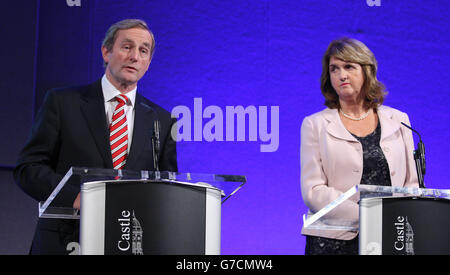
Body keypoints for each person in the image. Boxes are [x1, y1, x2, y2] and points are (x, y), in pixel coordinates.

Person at [13, 19, 178, 254]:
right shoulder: (63, 103)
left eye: (143, 50)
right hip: (65, 241)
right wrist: (75, 197)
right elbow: (28, 169)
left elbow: (167, 186)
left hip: (128, 245)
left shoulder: (162, 120)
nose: (134, 56)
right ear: (106, 51)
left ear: (149, 62)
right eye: (127, 46)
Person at [300, 37, 419, 255]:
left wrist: (396, 220)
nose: (341, 75)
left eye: (348, 67)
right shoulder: (315, 124)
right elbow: (313, 191)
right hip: (333, 241)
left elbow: (411, 184)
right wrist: (367, 215)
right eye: (334, 69)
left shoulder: (399, 120)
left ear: (367, 71)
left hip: (391, 237)